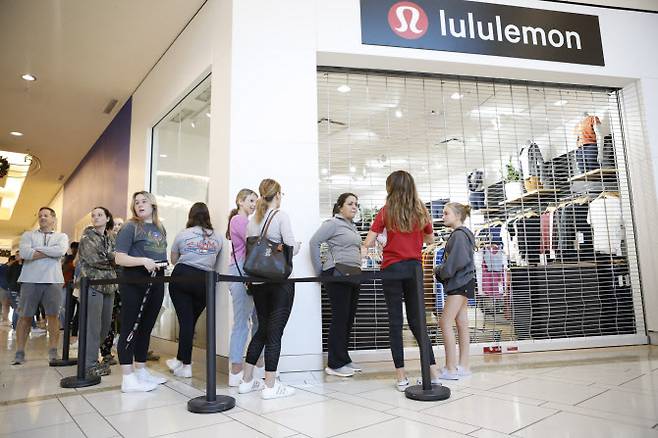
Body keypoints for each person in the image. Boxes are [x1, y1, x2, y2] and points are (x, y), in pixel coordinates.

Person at [364, 170, 441, 391]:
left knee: (395, 323)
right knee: (419, 323)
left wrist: (375, 243)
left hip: (392, 269)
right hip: (415, 269)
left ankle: (401, 377)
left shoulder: (385, 212)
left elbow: (369, 241)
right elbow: (430, 239)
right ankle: (433, 373)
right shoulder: (420, 210)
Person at [239, 178, 300, 400]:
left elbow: (252, 251)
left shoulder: (251, 220)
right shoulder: (280, 216)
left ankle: (246, 381)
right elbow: (290, 248)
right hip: (278, 283)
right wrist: (296, 246)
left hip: (257, 283)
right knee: (274, 334)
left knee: (262, 331)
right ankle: (271, 386)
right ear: (277, 195)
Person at [115, 191, 168, 392]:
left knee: (146, 327)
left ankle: (141, 370)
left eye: (144, 201)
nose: (140, 204)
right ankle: (128, 378)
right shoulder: (130, 227)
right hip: (134, 282)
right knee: (130, 327)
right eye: (136, 202)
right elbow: (119, 258)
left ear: (153, 204)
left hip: (157, 281)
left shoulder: (159, 227)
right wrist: (142, 261)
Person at [165, 202, 222, 378]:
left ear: (191, 216)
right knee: (189, 322)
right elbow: (214, 259)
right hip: (204, 281)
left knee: (185, 322)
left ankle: (186, 366)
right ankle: (180, 360)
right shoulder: (218, 237)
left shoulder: (183, 234)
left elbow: (173, 259)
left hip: (183, 276)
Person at [310, 193, 362, 377]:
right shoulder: (332, 223)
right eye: (350, 204)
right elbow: (314, 242)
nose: (354, 207)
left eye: (356, 204)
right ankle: (333, 363)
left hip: (354, 275)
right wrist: (321, 271)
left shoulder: (352, 226)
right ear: (340, 207)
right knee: (340, 318)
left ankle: (343, 359)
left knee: (348, 318)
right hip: (337, 274)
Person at [13, 207, 69, 365]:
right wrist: (50, 252)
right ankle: (20, 351)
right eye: (40, 216)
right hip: (30, 280)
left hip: (53, 280)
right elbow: (24, 254)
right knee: (25, 316)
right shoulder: (28, 235)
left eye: (46, 215)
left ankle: (53, 350)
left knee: (53, 316)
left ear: (53, 219)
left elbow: (61, 251)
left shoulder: (61, 236)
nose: (42, 218)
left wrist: (36, 250)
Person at [226, 189, 265, 386]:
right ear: (240, 201)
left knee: (258, 319)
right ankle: (236, 369)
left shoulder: (247, 221)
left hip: (250, 271)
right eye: (250, 200)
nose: (253, 204)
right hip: (241, 270)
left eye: (255, 201)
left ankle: (257, 365)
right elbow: (254, 241)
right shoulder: (238, 220)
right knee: (242, 321)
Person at [435, 202, 476, 380]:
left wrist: (440, 271)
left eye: (446, 213)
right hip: (465, 281)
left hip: (459, 282)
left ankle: (451, 368)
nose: (443, 216)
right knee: (461, 321)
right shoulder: (463, 235)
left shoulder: (458, 236)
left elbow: (457, 261)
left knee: (445, 322)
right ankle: (463, 366)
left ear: (457, 216)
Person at [78, 207, 118, 377]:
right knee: (92, 326)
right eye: (93, 215)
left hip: (109, 286)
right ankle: (89, 363)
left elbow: (117, 257)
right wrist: (114, 259)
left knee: (105, 325)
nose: (96, 217)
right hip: (93, 285)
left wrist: (114, 258)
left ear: (108, 217)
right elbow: (96, 259)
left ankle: (92, 358)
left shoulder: (110, 238)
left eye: (100, 215)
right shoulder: (87, 237)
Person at [100, 216, 124, 366]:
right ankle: (106, 353)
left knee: (127, 319)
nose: (117, 227)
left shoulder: (127, 242)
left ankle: (127, 349)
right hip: (109, 286)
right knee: (109, 319)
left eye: (120, 224)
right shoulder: (105, 241)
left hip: (126, 286)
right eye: (114, 224)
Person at [60, 242, 79, 330]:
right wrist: (73, 264)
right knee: (67, 306)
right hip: (68, 285)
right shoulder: (70, 258)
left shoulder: (81, 258)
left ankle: (71, 324)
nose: (74, 250)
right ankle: (65, 324)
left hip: (76, 285)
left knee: (74, 306)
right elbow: (64, 269)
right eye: (73, 248)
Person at [0, 257, 11, 326]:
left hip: (2, 287)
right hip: (4, 287)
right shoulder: (6, 268)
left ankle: (4, 319)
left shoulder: (2, 266)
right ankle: (4, 319)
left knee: (3, 305)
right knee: (5, 305)